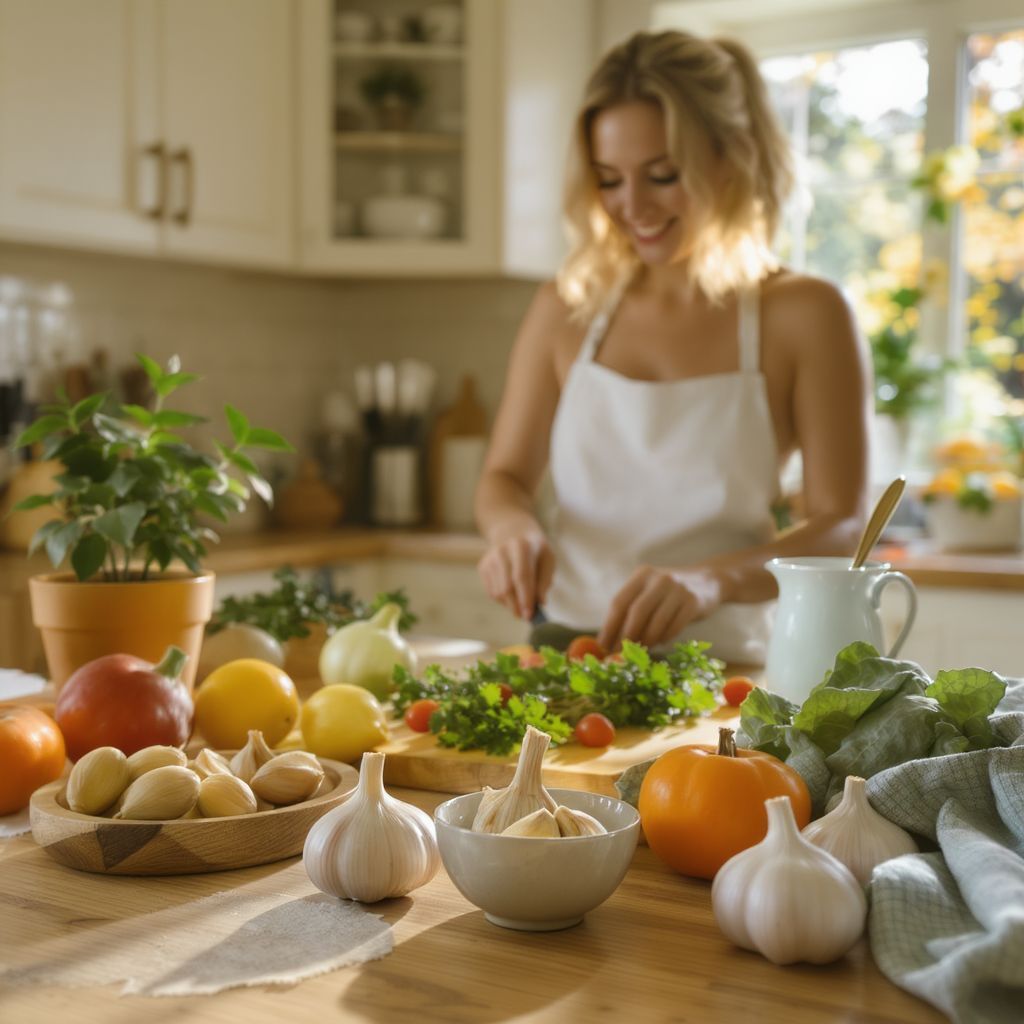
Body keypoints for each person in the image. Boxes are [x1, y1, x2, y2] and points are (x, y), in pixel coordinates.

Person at [475, 30, 870, 665]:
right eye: (608, 180)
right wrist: (510, 530)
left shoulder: (804, 313)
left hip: (727, 667)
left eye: (662, 175)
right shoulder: (566, 307)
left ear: (730, 160)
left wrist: (710, 578)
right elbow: (504, 477)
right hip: (571, 655)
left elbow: (843, 528)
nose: (632, 206)